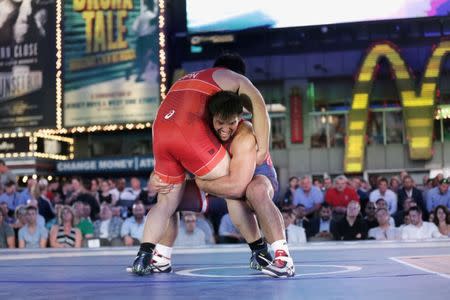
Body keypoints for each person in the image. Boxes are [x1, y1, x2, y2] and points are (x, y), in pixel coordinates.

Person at [131, 53, 273, 275]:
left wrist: (156, 173)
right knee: (233, 185)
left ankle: (147, 256)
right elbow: (259, 106)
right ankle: (259, 249)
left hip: (160, 129)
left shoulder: (185, 81)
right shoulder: (233, 78)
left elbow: (172, 122)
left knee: (167, 200)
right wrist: (262, 149)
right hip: (188, 132)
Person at [145, 90, 294, 277]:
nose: (225, 129)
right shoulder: (198, 132)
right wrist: (156, 176)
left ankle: (281, 258)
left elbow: (237, 186)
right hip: (216, 181)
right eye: (220, 123)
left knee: (254, 191)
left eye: (231, 123)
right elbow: (170, 161)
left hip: (251, 178)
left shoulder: (244, 133)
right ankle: (162, 259)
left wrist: (202, 185)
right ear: (210, 118)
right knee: (170, 195)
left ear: (239, 117)